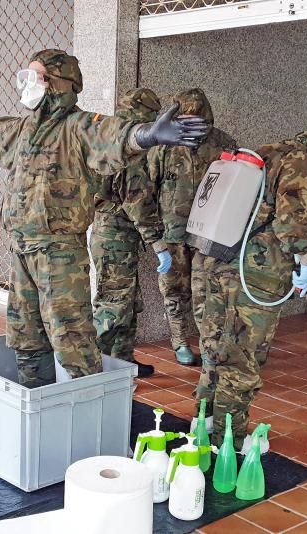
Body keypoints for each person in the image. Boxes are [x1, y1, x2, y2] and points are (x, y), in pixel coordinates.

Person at [0, 49, 207, 385]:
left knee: (71, 337)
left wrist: (147, 135)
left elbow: (112, 135)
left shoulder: (78, 127)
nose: (27, 83)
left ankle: (86, 404)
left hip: (58, 254)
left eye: (35, 76)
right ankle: (34, 398)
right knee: (26, 332)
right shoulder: (25, 129)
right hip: (22, 250)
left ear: (57, 83)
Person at [192, 123, 307, 451]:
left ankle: (204, 422)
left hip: (220, 260)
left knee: (215, 348)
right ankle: (230, 440)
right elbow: (292, 222)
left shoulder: (269, 150)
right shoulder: (304, 162)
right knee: (243, 357)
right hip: (255, 275)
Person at [147, 88, 236, 366]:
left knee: (205, 291)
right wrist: (152, 235)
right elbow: (148, 189)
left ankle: (209, 345)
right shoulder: (163, 146)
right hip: (171, 232)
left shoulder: (223, 143)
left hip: (208, 234)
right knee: (173, 289)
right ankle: (179, 341)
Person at [91, 88, 172, 378]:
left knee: (126, 301)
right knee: (113, 305)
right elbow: (136, 199)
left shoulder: (108, 136)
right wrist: (158, 243)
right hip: (116, 235)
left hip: (111, 234)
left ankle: (122, 363)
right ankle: (95, 369)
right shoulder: (131, 147)